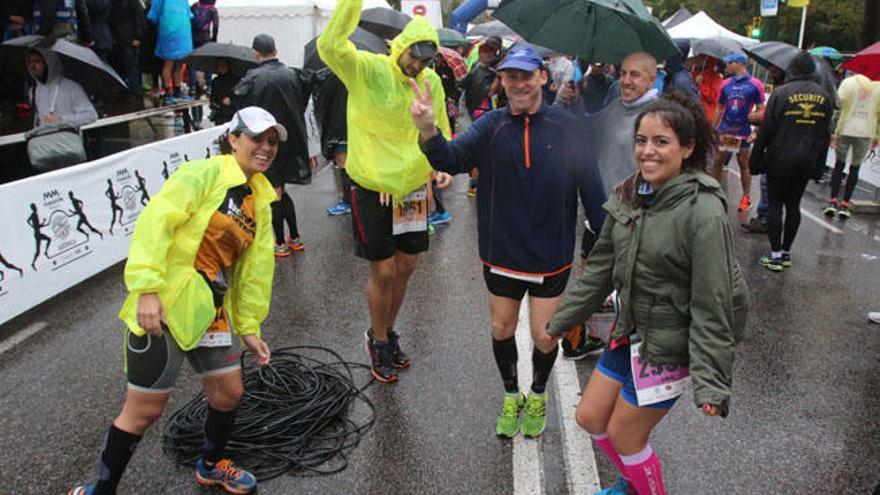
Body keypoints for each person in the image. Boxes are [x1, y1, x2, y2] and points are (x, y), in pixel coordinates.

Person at [67, 107, 280, 495]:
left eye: (272, 141)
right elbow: (156, 222)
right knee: (142, 413)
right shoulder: (204, 174)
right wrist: (147, 288)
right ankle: (100, 489)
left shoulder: (260, 199)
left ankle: (212, 466)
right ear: (233, 139)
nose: (265, 147)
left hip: (212, 311)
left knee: (229, 394)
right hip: (165, 305)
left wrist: (248, 327)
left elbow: (254, 270)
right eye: (256, 138)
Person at [547, 93, 748, 495]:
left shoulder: (703, 210)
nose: (647, 151)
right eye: (641, 140)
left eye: (661, 142)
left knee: (625, 435)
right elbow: (600, 270)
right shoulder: (629, 194)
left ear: (687, 149)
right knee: (589, 417)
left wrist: (711, 382)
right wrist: (559, 323)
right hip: (632, 331)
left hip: (670, 342)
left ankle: (642, 487)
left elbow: (714, 301)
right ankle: (631, 483)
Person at [412, 44, 607, 438]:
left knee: (544, 334)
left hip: (551, 255)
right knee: (501, 329)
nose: (518, 83)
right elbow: (450, 160)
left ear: (543, 77)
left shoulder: (569, 128)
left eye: (525, 75)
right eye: (510, 76)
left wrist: (608, 247)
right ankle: (509, 394)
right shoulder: (491, 126)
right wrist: (428, 130)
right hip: (501, 252)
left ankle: (537, 395)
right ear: (502, 80)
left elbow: (594, 195)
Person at [318, 0, 452, 383]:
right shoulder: (367, 70)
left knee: (407, 266)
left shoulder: (432, 83)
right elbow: (330, 46)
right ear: (401, 45)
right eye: (415, 57)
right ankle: (376, 340)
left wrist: (436, 170)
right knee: (385, 268)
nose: (418, 66)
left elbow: (439, 127)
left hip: (410, 187)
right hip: (372, 186)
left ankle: (389, 332)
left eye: (426, 61)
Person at [750, 52, 832, 272]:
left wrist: (755, 160)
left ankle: (775, 254)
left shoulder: (782, 93)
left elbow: (766, 130)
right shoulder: (824, 96)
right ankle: (786, 252)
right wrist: (819, 167)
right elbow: (825, 135)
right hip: (807, 159)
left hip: (780, 157)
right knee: (793, 205)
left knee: (775, 204)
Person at [235, 33, 312, 256]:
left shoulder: (252, 78)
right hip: (293, 137)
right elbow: (304, 98)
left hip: (266, 140)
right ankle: (295, 237)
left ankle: (279, 242)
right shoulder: (293, 74)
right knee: (281, 190)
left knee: (274, 192)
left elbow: (243, 110)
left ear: (255, 53)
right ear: (275, 51)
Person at [710, 52, 764, 212]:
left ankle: (746, 197)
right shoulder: (725, 84)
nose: (726, 66)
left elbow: (761, 109)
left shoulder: (755, 84)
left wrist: (757, 130)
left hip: (743, 130)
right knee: (719, 160)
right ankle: (714, 194)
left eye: (729, 63)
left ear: (739, 64)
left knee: (743, 163)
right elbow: (719, 107)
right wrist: (713, 128)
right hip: (728, 129)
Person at [824, 72, 880, 219]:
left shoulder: (848, 83)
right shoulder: (879, 88)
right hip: (866, 131)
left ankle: (832, 201)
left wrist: (834, 130)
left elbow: (839, 107)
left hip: (846, 128)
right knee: (855, 168)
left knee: (839, 165)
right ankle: (845, 204)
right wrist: (877, 135)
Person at [742, 63, 787, 234]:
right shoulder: (786, 91)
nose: (771, 73)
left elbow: (769, 116)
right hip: (783, 144)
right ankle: (769, 219)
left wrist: (752, 118)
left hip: (777, 146)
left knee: (768, 184)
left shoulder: (783, 92)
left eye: (775, 70)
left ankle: (766, 220)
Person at [313, 68, 352, 216]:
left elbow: (322, 104)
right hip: (357, 128)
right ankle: (351, 200)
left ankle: (349, 201)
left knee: (344, 166)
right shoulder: (358, 72)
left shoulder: (331, 75)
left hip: (340, 129)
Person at [26, 49, 98, 128]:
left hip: (67, 139)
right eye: (29, 62)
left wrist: (62, 120)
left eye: (37, 61)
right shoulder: (33, 91)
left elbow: (91, 115)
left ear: (49, 62)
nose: (32, 65)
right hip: (45, 139)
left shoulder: (71, 87)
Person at [147, 0, 193, 102]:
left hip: (183, 32)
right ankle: (168, 90)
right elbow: (153, 17)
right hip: (169, 32)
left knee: (180, 63)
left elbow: (188, 14)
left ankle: (177, 89)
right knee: (169, 63)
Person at [109, 0, 146, 106]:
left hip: (127, 38)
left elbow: (139, 19)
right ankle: (129, 90)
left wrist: (137, 36)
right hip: (122, 38)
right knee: (126, 66)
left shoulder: (131, 3)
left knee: (131, 66)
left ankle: (134, 91)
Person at [208, 58, 240, 125]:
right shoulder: (215, 81)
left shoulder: (236, 79)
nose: (221, 67)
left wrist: (231, 100)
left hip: (233, 112)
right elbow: (213, 96)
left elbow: (240, 95)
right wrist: (213, 103)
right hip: (220, 112)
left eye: (223, 65)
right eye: (219, 65)